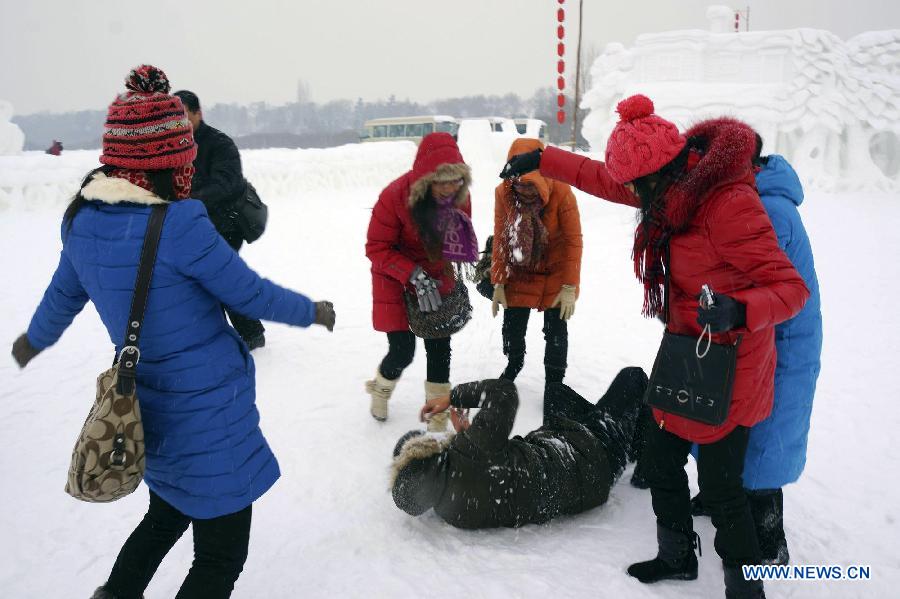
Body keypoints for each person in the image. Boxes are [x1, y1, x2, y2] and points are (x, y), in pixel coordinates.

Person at [10, 65, 336, 599]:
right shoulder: (180, 223)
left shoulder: (82, 220)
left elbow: (61, 297)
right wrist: (312, 311)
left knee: (165, 514)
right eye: (183, 155)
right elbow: (250, 294)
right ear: (166, 160)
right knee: (220, 555)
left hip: (146, 403)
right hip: (207, 407)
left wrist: (33, 341)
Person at [500, 94, 809, 599]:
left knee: (722, 489)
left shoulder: (728, 205)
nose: (631, 195)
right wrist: (542, 158)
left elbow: (791, 289)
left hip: (731, 366)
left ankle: (746, 588)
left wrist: (739, 310)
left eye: (637, 186)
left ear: (661, 172)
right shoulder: (668, 190)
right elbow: (604, 179)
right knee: (662, 460)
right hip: (685, 351)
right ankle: (677, 556)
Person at [691, 142, 823, 566]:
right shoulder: (751, 199)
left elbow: (752, 278)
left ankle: (768, 541)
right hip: (754, 333)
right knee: (729, 421)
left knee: (766, 438)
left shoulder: (771, 210)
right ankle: (718, 495)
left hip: (781, 343)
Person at [391, 367, 647, 528]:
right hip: (593, 455)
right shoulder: (472, 449)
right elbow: (504, 392)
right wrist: (452, 397)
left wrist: (466, 436)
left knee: (556, 392)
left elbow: (482, 473)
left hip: (573, 474)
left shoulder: (452, 512)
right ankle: (643, 457)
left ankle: (625, 433)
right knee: (633, 377)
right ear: (429, 454)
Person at [365, 132, 477, 431]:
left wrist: (472, 261)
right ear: (426, 178)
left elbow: (457, 242)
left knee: (439, 344)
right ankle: (381, 388)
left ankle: (437, 418)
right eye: (441, 181)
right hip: (394, 275)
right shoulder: (394, 196)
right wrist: (413, 275)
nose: (449, 188)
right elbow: (376, 248)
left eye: (456, 180)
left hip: (435, 274)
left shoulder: (460, 198)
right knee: (402, 350)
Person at [172, 89, 266, 350]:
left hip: (227, 222)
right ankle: (221, 334)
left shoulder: (219, 144)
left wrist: (190, 199)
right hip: (191, 225)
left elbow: (226, 184)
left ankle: (251, 334)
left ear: (197, 113)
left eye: (182, 115)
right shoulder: (171, 148)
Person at [491, 138, 582, 395]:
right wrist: (499, 282)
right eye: (518, 184)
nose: (523, 190)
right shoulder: (503, 193)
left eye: (530, 184)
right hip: (521, 267)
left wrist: (569, 287)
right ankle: (514, 363)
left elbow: (573, 240)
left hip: (555, 269)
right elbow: (501, 237)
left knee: (556, 330)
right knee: (512, 326)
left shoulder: (561, 190)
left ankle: (555, 383)